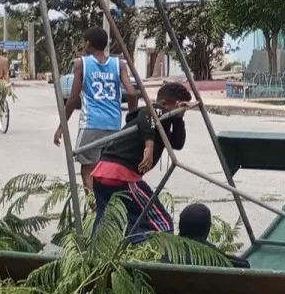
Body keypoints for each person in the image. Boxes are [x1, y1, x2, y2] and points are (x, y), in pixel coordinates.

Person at [90, 81, 193, 242]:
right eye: (177, 106)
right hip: (122, 175)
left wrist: (179, 118)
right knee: (162, 224)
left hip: (102, 173)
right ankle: (148, 255)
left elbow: (177, 144)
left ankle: (99, 252)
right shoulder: (156, 110)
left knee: (107, 223)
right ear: (165, 103)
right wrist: (149, 146)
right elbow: (148, 113)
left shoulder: (163, 122)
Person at [55, 27, 137, 193]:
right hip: (114, 124)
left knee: (87, 167)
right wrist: (132, 118)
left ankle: (92, 205)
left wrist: (60, 127)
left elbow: (73, 98)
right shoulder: (119, 64)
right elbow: (131, 93)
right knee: (108, 166)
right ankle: (107, 202)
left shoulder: (81, 63)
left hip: (91, 123)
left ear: (88, 43)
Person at [174, 203, 250, 268]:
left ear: (180, 227)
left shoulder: (166, 255)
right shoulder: (219, 259)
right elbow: (244, 266)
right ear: (208, 228)